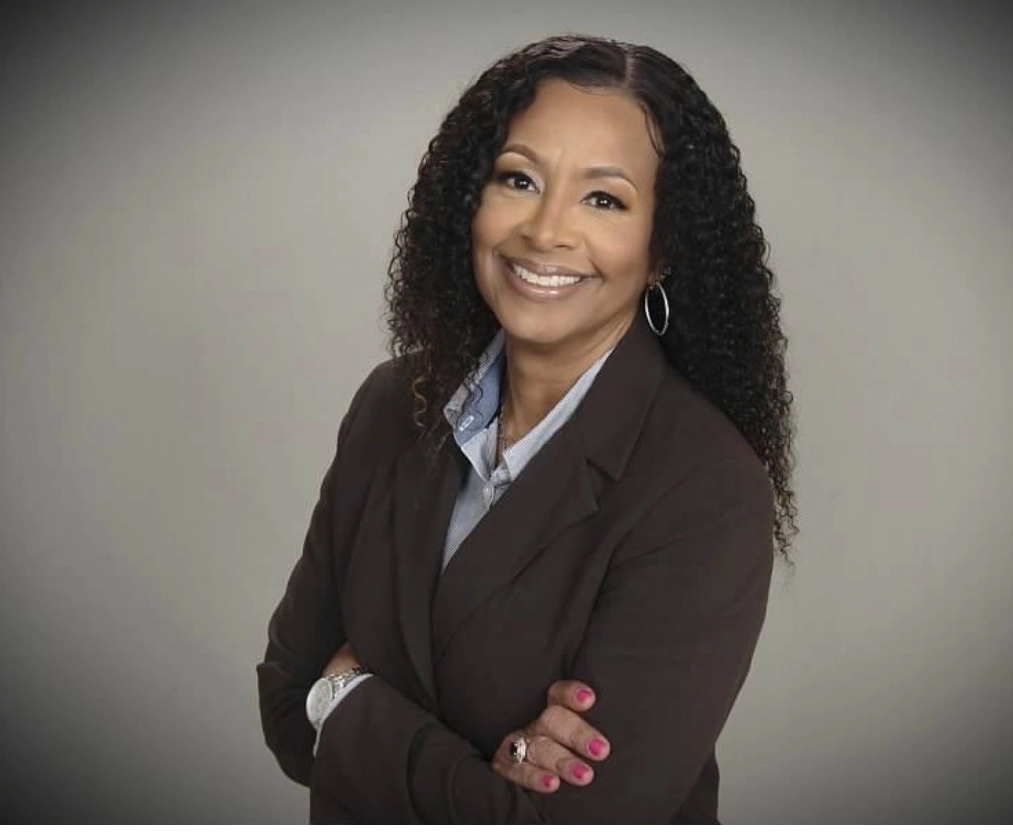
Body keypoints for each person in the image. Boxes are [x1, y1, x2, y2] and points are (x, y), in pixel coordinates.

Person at [257, 33, 796, 823]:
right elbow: (283, 711)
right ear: (469, 200)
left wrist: (345, 700)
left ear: (661, 249)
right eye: (518, 179)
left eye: (603, 199)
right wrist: (484, 770)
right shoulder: (390, 405)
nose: (545, 232)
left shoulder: (706, 490)